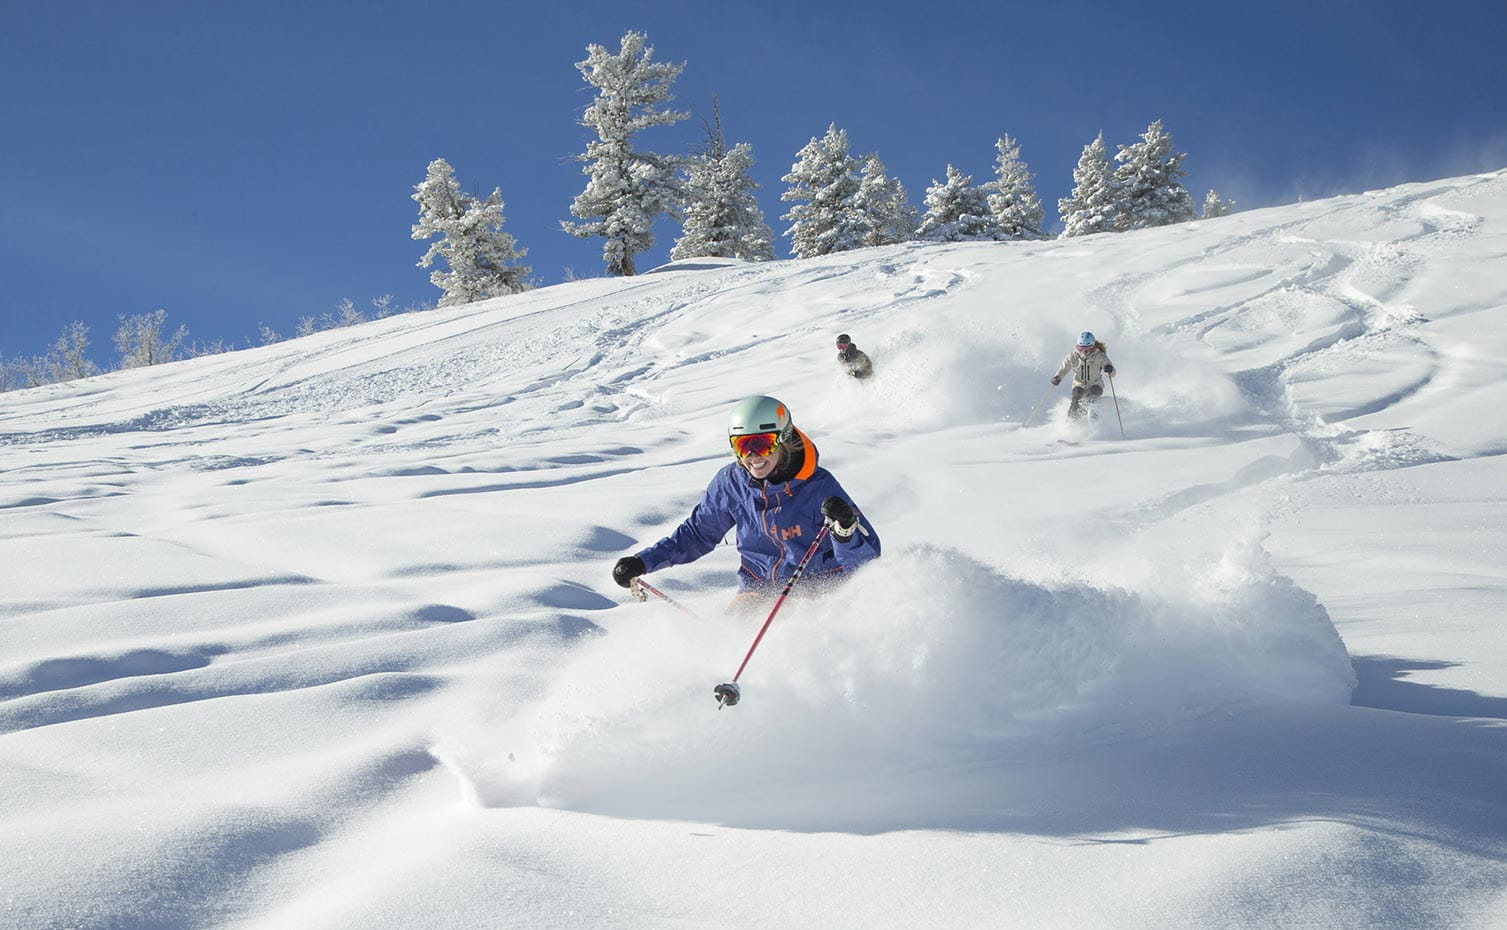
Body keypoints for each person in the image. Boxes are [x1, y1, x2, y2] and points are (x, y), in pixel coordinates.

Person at [612, 394, 880, 610]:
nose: (752, 457)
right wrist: (643, 562)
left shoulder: (818, 486)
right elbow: (697, 534)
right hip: (760, 590)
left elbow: (867, 560)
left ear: (783, 440)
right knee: (734, 635)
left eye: (762, 444)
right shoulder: (731, 483)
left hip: (822, 592)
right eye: (742, 446)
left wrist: (844, 532)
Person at [1051, 331, 1116, 420]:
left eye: (1087, 348)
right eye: (1080, 347)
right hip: (1079, 384)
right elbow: (1064, 368)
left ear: (1092, 346)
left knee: (1088, 400)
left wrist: (1109, 370)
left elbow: (1111, 372)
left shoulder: (1099, 356)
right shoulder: (1073, 356)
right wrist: (1057, 377)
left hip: (1096, 385)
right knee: (1075, 402)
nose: (1083, 351)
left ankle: (1093, 421)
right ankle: (1072, 422)